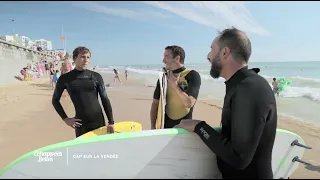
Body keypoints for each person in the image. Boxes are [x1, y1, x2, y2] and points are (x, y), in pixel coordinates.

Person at [175, 28, 277, 179]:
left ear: (224, 52)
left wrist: (199, 126)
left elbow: (239, 158)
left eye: (211, 50)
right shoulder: (241, 84)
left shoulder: (248, 88)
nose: (208, 56)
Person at [52, 46, 115, 138]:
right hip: (81, 124)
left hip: (98, 122)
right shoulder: (65, 79)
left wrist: (111, 121)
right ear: (74, 58)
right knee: (83, 151)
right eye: (82, 57)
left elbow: (104, 99)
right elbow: (55, 100)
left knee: (100, 150)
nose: (86, 60)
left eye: (88, 57)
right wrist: (66, 119)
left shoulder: (96, 77)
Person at [150, 45, 201, 129]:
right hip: (165, 127)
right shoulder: (163, 77)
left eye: (166, 57)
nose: (163, 60)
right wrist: (153, 127)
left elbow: (189, 103)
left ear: (177, 58)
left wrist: (175, 85)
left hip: (184, 128)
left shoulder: (192, 75)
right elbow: (155, 103)